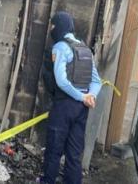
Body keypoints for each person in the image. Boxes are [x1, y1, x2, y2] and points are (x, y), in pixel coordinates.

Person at [39, 11, 101, 184]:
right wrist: (90, 97)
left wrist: (82, 97)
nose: (51, 29)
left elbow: (61, 82)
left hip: (64, 106)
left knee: (54, 150)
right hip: (81, 110)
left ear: (58, 26)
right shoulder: (85, 49)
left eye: (52, 26)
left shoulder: (60, 47)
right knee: (74, 154)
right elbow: (97, 81)